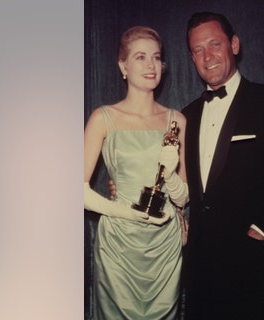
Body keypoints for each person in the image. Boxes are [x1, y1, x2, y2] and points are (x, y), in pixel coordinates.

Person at [181, 12, 264, 320]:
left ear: (234, 44)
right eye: (197, 50)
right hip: (199, 272)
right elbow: (175, 184)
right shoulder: (185, 116)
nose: (207, 56)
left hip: (250, 268)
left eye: (214, 44)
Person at [83, 26, 189, 320]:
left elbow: (184, 195)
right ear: (123, 66)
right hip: (118, 245)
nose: (150, 65)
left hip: (164, 247)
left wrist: (169, 175)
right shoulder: (103, 118)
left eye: (156, 57)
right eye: (140, 57)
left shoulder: (176, 120)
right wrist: (127, 212)